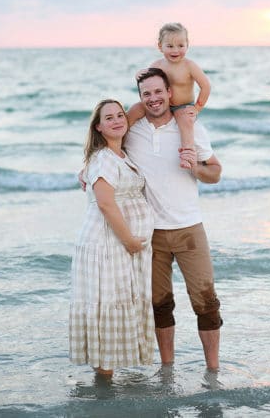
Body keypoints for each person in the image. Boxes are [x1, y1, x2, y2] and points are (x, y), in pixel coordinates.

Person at [125, 67, 223, 371]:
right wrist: (85, 168)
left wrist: (195, 167)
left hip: (190, 229)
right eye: (146, 94)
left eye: (158, 91)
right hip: (150, 233)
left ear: (170, 93)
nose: (153, 98)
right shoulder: (132, 130)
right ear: (141, 99)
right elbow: (105, 146)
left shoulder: (190, 128)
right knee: (160, 305)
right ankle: (167, 369)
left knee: (206, 303)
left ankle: (213, 371)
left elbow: (215, 173)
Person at [69, 99, 155, 377]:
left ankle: (105, 388)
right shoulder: (104, 158)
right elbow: (106, 203)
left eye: (120, 115)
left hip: (118, 244)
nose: (117, 120)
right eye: (109, 118)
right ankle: (103, 391)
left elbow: (141, 106)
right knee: (107, 305)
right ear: (99, 127)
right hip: (107, 243)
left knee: (113, 306)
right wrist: (129, 240)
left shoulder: (120, 154)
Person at [126, 23, 211, 169]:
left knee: (185, 121)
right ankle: (118, 137)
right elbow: (145, 79)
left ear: (187, 45)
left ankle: (187, 155)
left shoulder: (189, 66)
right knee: (137, 108)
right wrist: (138, 74)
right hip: (162, 105)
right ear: (160, 46)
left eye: (180, 45)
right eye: (170, 46)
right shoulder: (158, 65)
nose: (175, 50)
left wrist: (197, 108)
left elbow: (206, 86)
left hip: (183, 106)